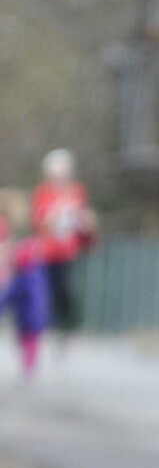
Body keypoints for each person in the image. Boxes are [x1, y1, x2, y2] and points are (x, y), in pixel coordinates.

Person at [31, 148, 97, 337]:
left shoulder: (77, 191)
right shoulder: (43, 193)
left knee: (67, 289)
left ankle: (68, 326)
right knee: (49, 289)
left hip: (71, 250)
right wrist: (55, 216)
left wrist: (87, 223)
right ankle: (51, 325)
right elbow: (39, 222)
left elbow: (85, 220)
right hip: (49, 251)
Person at [0, 188, 51, 379]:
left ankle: (29, 363)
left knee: (29, 323)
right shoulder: (5, 227)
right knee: (26, 324)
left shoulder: (32, 231)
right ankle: (28, 363)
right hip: (12, 279)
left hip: (26, 279)